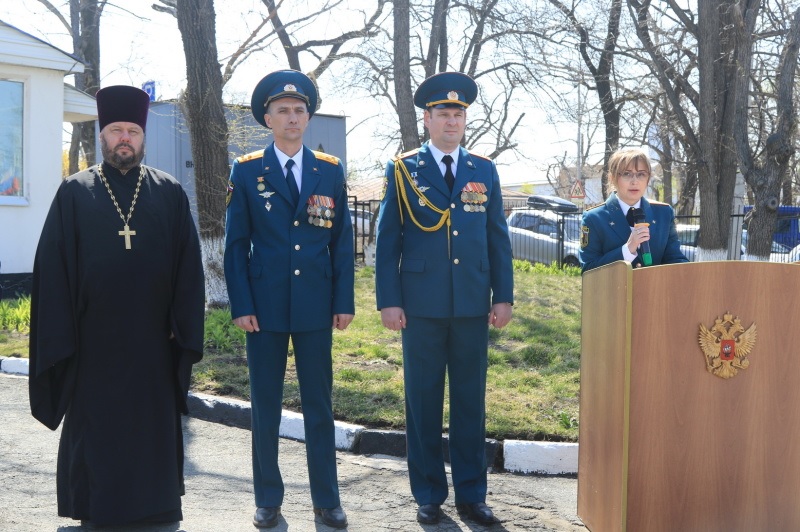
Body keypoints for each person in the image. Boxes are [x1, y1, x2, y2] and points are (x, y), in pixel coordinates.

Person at [28, 85, 205, 527]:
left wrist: (178, 325)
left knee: (151, 429)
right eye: (114, 131)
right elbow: (53, 272)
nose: (124, 138)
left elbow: (190, 270)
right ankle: (95, 508)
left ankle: (158, 505)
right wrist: (65, 333)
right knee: (98, 429)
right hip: (94, 342)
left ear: (142, 136)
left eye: (131, 131)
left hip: (153, 340)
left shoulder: (169, 193)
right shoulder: (74, 193)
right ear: (102, 135)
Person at [375, 72, 514, 526]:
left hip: (474, 304)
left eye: (458, 114)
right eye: (443, 114)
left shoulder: (483, 170)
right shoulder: (403, 170)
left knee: (470, 402)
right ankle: (429, 494)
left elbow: (498, 239)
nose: (451, 121)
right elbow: (387, 241)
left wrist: (504, 296)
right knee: (423, 401)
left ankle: (472, 494)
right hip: (420, 307)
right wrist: (388, 300)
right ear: (427, 119)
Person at [224, 70, 354, 530]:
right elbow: (235, 244)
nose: (292, 117)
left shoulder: (330, 169)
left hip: (318, 305)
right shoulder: (247, 169)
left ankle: (327, 499)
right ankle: (267, 499)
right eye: (283, 110)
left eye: (299, 110)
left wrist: (345, 301)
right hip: (264, 307)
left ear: (308, 116)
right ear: (267, 117)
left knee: (320, 404)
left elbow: (341, 241)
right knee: (265, 404)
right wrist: (241, 303)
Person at [579, 146, 688, 272]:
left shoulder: (663, 213)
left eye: (641, 174)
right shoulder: (594, 218)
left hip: (655, 291)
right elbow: (588, 270)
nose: (634, 181)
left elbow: (675, 259)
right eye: (627, 174)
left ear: (648, 178)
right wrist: (628, 249)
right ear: (612, 178)